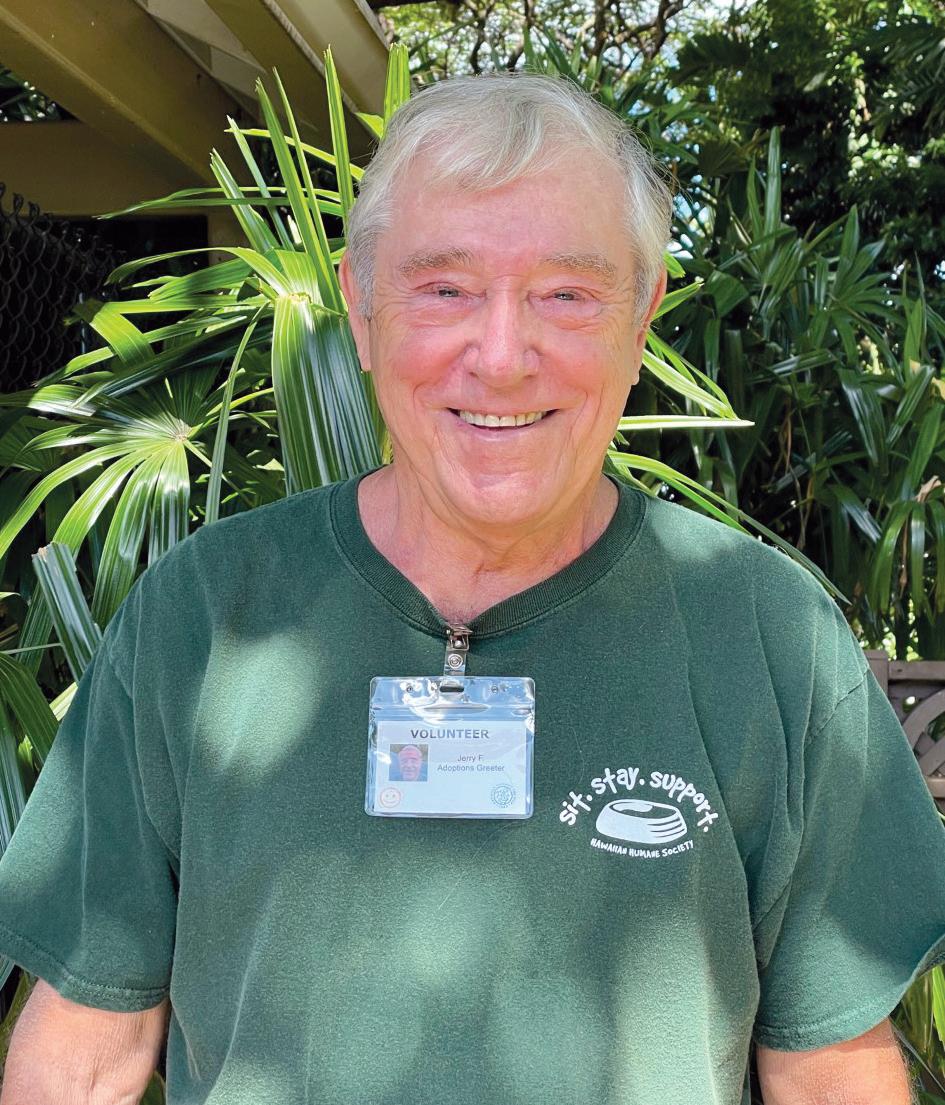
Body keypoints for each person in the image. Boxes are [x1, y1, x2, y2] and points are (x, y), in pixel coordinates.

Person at [1, 71, 943, 1105]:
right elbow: (85, 1050)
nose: (500, 358)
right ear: (363, 309)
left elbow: (827, 1073)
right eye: (445, 289)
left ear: (641, 320)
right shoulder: (204, 615)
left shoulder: (766, 634)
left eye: (566, 294)